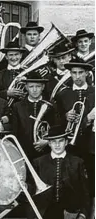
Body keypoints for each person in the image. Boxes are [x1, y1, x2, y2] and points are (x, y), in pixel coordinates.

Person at [56, 59, 95, 217]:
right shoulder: (63, 94)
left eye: (81, 73)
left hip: (91, 145)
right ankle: (72, 213)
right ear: (70, 74)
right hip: (70, 145)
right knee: (71, 179)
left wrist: (89, 118)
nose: (77, 76)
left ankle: (90, 212)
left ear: (87, 73)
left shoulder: (94, 92)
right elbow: (56, 120)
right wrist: (66, 116)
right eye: (74, 73)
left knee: (92, 179)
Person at [28, 125, 89, 219]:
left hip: (71, 212)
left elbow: (85, 192)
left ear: (66, 142)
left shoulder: (77, 162)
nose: (57, 145)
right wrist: (26, 186)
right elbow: (32, 190)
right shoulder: (38, 162)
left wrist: (83, 214)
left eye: (60, 141)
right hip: (44, 213)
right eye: (53, 142)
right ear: (49, 143)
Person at [11, 71, 54, 160]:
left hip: (47, 151)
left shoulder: (51, 106)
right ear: (26, 87)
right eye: (31, 86)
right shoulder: (17, 106)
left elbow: (56, 127)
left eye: (38, 86)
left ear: (43, 87)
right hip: (25, 152)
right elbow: (15, 131)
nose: (34, 90)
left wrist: (47, 141)